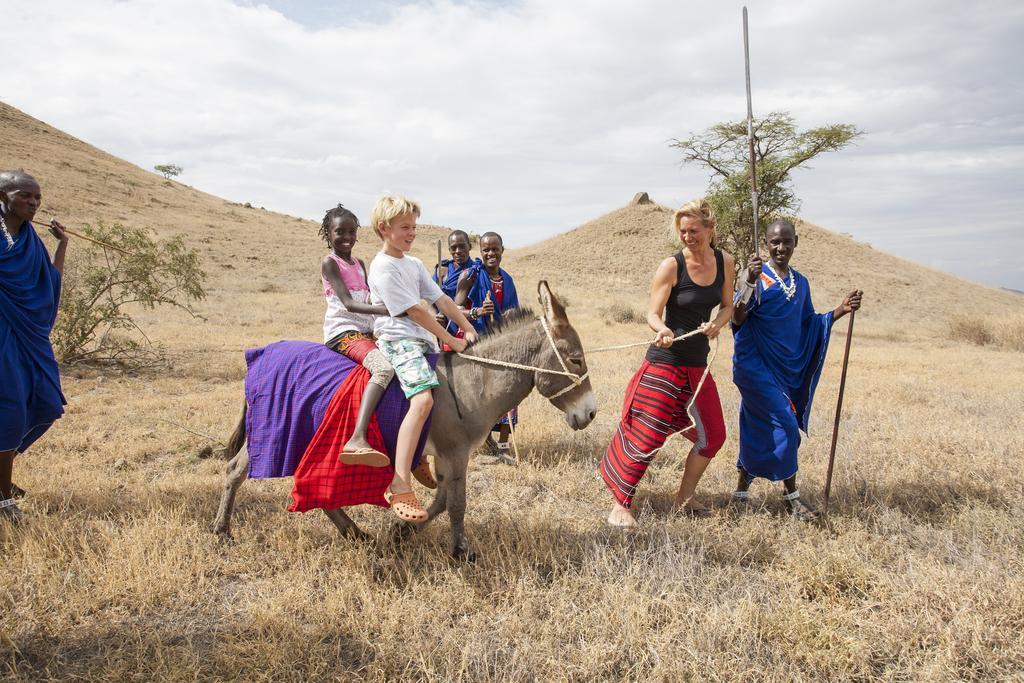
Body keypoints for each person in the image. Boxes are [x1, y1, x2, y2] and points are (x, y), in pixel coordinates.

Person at [600, 199, 734, 528]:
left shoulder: (726, 262)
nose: (688, 237)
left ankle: (684, 498)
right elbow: (652, 313)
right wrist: (662, 330)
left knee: (714, 435)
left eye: (694, 231)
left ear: (710, 229)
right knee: (647, 434)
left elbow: (728, 306)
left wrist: (719, 323)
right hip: (665, 360)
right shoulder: (671, 266)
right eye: (683, 231)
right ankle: (621, 503)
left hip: (697, 365)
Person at [730, 219, 863, 520]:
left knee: (754, 422)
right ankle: (792, 498)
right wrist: (748, 281)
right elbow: (737, 319)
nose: (780, 247)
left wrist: (841, 309)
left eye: (786, 241)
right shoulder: (756, 278)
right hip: (754, 366)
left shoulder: (800, 283)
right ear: (766, 244)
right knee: (788, 426)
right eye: (774, 242)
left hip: (784, 368)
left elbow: (809, 323)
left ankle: (741, 488)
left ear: (795, 242)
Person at [367, 195, 477, 522]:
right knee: (423, 401)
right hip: (400, 341)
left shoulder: (413, 264)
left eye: (414, 227)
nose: (412, 233)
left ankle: (417, 455)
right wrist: (452, 340)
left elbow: (440, 299)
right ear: (384, 228)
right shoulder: (383, 266)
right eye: (405, 227)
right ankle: (399, 482)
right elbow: (415, 311)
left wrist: (468, 327)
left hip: (422, 341)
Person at [0, 169, 69, 523]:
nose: (33, 202)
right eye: (25, 195)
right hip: (1, 337)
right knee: (9, 410)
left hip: (28, 337)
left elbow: (49, 283)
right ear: (3, 196)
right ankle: (3, 497)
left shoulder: (29, 240)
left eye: (37, 197)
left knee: (44, 400)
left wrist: (62, 244)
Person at [318, 204, 396, 467]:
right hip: (343, 332)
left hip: (367, 331)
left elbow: (371, 297)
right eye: (339, 232)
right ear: (328, 235)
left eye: (351, 231)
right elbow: (349, 304)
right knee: (383, 370)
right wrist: (382, 309)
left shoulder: (361, 263)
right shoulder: (331, 263)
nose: (346, 237)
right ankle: (358, 437)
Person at [453, 232, 521, 461]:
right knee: (478, 396)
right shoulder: (470, 276)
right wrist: (478, 312)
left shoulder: (508, 280)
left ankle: (503, 445)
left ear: (502, 249)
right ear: (480, 252)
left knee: (509, 392)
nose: (491, 254)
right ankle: (480, 441)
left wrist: (512, 316)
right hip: (476, 345)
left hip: (502, 345)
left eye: (495, 249)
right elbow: (453, 309)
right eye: (486, 250)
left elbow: (514, 313)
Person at [433, 229, 480, 337]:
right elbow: (432, 302)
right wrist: (435, 317)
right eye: (454, 248)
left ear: (469, 246)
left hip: (471, 326)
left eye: (462, 246)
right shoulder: (442, 270)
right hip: (446, 329)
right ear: (449, 250)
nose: (458, 251)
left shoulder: (477, 271)